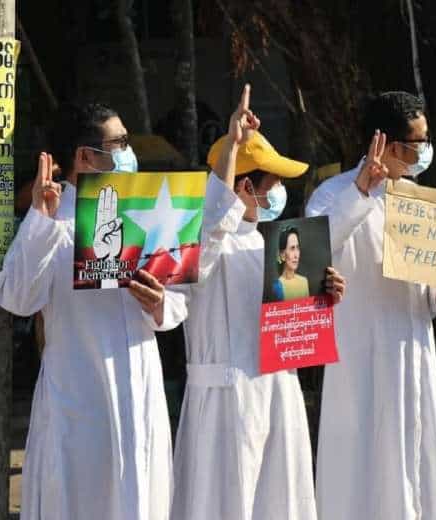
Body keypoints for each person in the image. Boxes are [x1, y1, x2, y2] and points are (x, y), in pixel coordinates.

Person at [0, 103, 187, 520]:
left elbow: (178, 302)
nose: (127, 151)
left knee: (141, 500)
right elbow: (15, 298)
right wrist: (40, 221)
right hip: (81, 398)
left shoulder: (145, 212)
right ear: (84, 156)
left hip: (139, 387)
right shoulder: (52, 221)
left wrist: (160, 305)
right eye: (118, 143)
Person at [171, 85, 346, 520]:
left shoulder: (276, 244)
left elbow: (292, 322)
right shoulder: (196, 239)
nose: (280, 193)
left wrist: (322, 299)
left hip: (279, 388)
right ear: (245, 185)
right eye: (274, 184)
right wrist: (232, 146)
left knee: (282, 503)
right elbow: (209, 235)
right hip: (226, 396)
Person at [306, 91, 436, 520]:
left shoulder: (421, 199)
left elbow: (431, 288)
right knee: (363, 470)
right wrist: (361, 192)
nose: (425, 150)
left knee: (419, 464)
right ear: (388, 144)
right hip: (359, 358)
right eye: (419, 142)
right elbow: (306, 256)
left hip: (414, 348)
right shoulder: (333, 193)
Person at [272, 226, 310, 301]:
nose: (296, 255)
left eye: (298, 248)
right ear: (282, 255)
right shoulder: (277, 286)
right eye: (292, 248)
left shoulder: (304, 281)